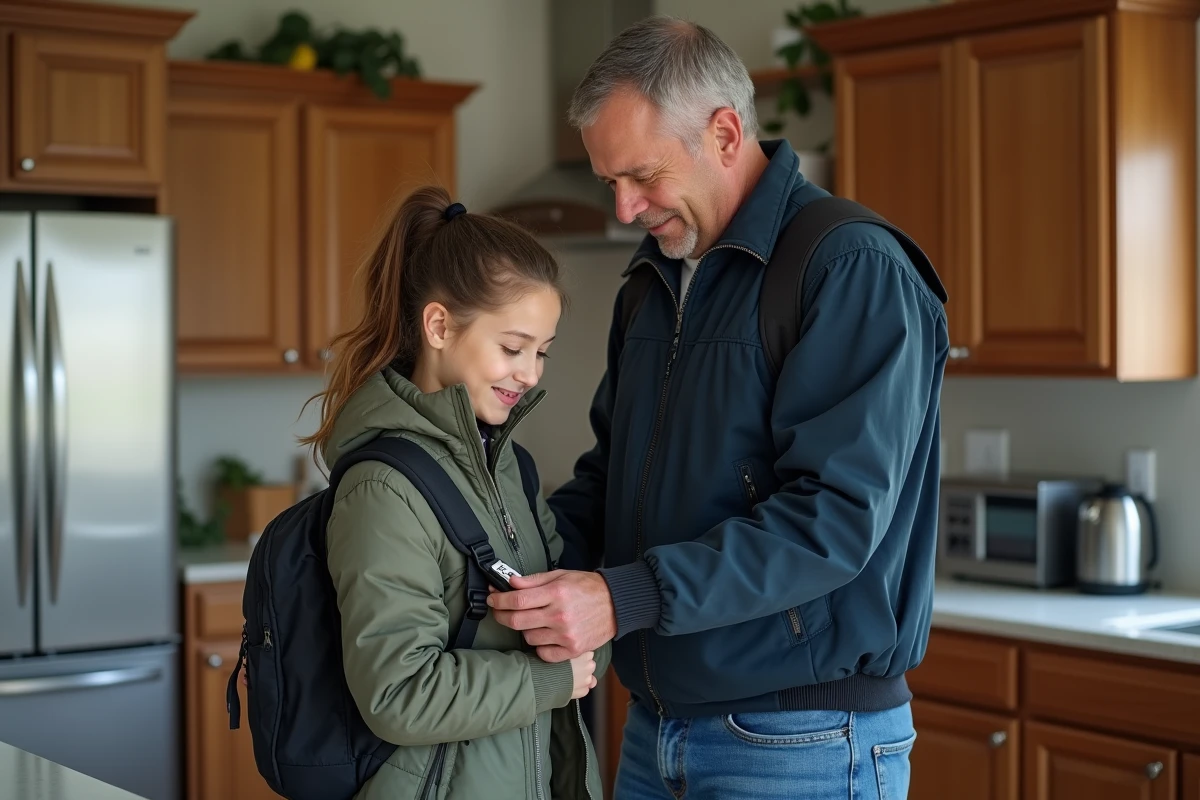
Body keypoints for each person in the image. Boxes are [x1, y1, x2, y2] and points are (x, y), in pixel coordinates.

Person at [487, 17, 948, 800]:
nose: (627, 209)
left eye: (642, 176)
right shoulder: (655, 280)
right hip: (656, 730)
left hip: (801, 741)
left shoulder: (851, 268)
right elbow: (611, 478)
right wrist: (501, 546)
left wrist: (620, 596)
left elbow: (832, 521)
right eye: (610, 184)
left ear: (727, 134)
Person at [299, 185, 607, 799]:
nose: (531, 372)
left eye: (542, 352)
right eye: (513, 348)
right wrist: (553, 681)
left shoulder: (510, 467)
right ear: (439, 325)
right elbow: (398, 694)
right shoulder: (383, 489)